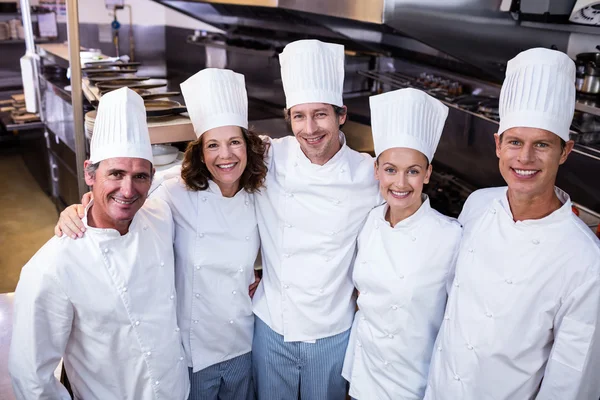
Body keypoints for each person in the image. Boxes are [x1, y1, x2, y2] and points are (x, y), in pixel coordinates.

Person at [55, 69, 267, 400]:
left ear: (248, 145)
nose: (225, 156)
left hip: (243, 342)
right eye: (213, 145)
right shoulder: (174, 191)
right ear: (200, 151)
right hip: (191, 355)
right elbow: (122, 197)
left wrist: (259, 274)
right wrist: (78, 207)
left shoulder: (260, 192)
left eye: (235, 142)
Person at [424, 48, 600, 399]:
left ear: (565, 151)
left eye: (543, 145)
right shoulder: (478, 204)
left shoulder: (586, 261)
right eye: (515, 142)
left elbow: (571, 379)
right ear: (498, 145)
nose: (525, 158)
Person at [8, 87, 190, 400]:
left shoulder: (158, 214)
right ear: (90, 174)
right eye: (115, 173)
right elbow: (32, 378)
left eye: (140, 176)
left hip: (177, 390)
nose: (128, 189)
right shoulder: (53, 265)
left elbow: (190, 173)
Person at [251, 39, 381, 399]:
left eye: (320, 114)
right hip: (271, 325)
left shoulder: (369, 173)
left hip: (333, 332)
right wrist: (86, 205)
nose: (310, 128)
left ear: (341, 115)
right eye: (299, 116)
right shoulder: (267, 156)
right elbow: (197, 175)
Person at [342, 88, 461, 399]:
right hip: (362, 377)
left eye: (413, 172)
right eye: (391, 170)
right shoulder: (368, 222)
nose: (400, 183)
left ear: (428, 174)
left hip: (414, 384)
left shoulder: (452, 237)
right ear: (377, 171)